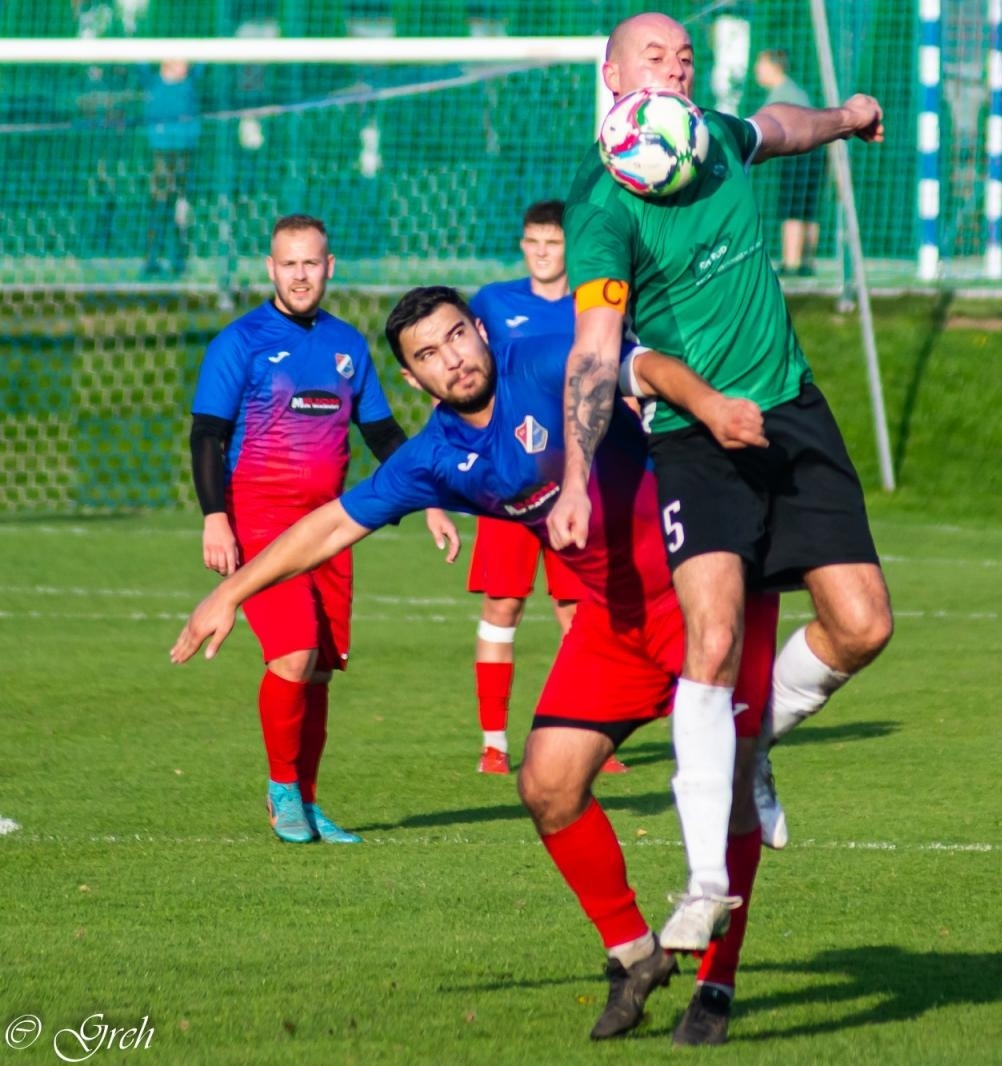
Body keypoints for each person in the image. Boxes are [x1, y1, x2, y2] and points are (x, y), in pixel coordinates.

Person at [173, 286, 775, 1045]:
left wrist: (715, 407)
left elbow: (649, 369)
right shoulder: (435, 458)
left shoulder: (550, 361)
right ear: (414, 380)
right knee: (547, 785)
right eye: (428, 354)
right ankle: (634, 953)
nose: (452, 358)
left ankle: (715, 989)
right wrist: (231, 591)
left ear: (482, 332)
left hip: (707, 592)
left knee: (733, 797)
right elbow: (333, 523)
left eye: (457, 336)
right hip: (614, 624)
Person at [550, 11, 895, 951]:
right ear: (614, 76)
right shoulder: (603, 204)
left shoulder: (710, 141)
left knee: (864, 624)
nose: (676, 68)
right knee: (710, 635)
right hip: (693, 436)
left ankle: (752, 751)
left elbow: (778, 127)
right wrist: (576, 477)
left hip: (789, 407)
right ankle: (705, 882)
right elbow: (593, 355)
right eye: (653, 57)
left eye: (685, 57)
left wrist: (847, 112)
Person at [188, 215, 458, 845]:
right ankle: (281, 791)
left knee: (320, 669)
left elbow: (384, 435)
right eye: (289, 264)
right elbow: (208, 434)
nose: (301, 275)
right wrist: (214, 516)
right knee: (293, 652)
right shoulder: (241, 341)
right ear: (271, 269)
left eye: (312, 263)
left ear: (329, 267)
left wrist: (434, 502)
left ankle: (307, 802)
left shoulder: (348, 346)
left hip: (333, 527)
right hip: (259, 519)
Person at [464, 200, 623, 775]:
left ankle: (592, 735)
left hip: (576, 484)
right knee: (502, 602)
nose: (540, 252)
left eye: (551, 243)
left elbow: (617, 383)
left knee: (578, 613)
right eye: (532, 241)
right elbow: (453, 385)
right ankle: (493, 744)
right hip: (506, 483)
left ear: (570, 248)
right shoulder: (491, 304)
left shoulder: (595, 306)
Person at [753, 49, 825, 276]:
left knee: (792, 207)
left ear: (774, 67)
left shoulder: (781, 95)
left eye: (761, 65)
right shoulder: (794, 91)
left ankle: (791, 262)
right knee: (807, 209)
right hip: (813, 154)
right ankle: (807, 261)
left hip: (797, 157)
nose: (757, 70)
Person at [139, 59, 200, 278]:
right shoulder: (153, 82)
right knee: (159, 203)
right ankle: (152, 259)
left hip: (185, 152)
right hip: (161, 153)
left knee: (180, 205)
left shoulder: (190, 83)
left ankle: (179, 260)